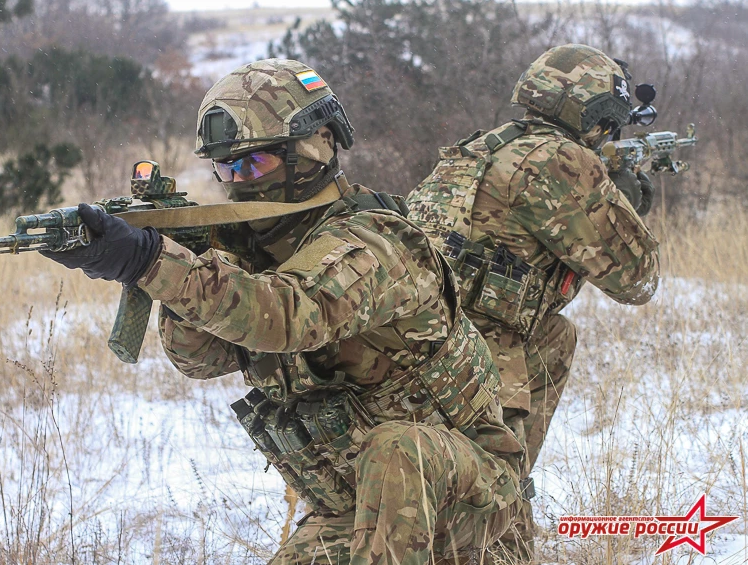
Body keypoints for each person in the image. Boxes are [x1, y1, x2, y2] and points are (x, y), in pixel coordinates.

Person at [41, 58, 526, 564]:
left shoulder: (377, 240)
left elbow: (290, 315)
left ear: (316, 147)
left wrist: (153, 262)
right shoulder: (257, 249)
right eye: (226, 167)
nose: (239, 180)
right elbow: (199, 360)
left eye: (255, 163)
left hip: (467, 494)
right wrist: (187, 264)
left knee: (398, 449)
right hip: (355, 508)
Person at [405, 43, 661, 563]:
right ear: (597, 116)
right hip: (468, 353)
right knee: (494, 515)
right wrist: (625, 203)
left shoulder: (480, 147)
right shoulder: (562, 160)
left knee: (554, 336)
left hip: (412, 335)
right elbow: (638, 280)